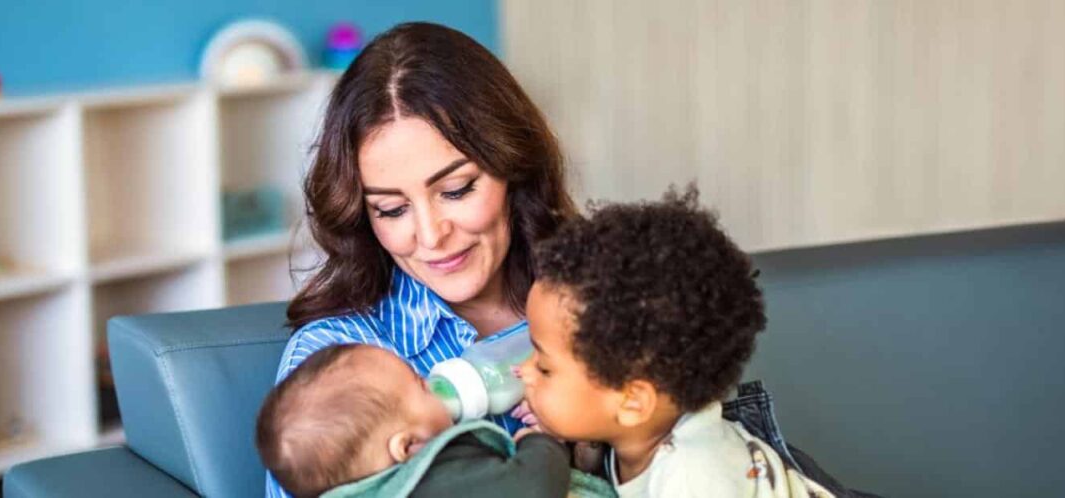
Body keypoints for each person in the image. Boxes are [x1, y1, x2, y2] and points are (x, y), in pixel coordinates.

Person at [268, 20, 577, 498]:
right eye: (391, 209)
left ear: (514, 167)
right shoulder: (338, 361)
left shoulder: (590, 295)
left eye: (456, 189)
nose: (431, 236)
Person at [515, 188, 838, 497]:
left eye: (544, 367)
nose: (523, 370)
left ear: (633, 402)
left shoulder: (693, 479)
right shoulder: (639, 433)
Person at [255, 344, 582, 498]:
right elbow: (535, 486)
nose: (430, 382)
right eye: (420, 385)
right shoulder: (437, 481)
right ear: (408, 446)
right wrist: (541, 442)